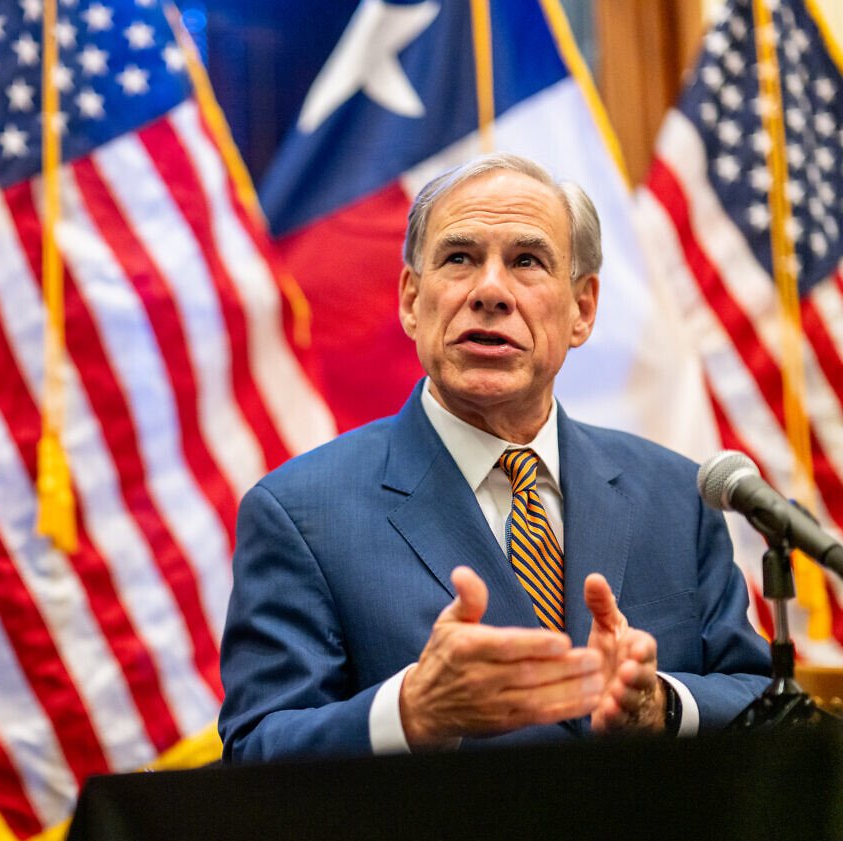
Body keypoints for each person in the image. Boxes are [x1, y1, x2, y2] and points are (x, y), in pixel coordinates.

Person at [218, 153, 771, 762]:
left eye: (526, 262)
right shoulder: (299, 514)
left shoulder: (676, 495)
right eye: (459, 258)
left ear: (582, 309)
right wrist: (410, 713)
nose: (489, 291)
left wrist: (660, 707)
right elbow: (256, 750)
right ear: (410, 299)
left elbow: (760, 699)